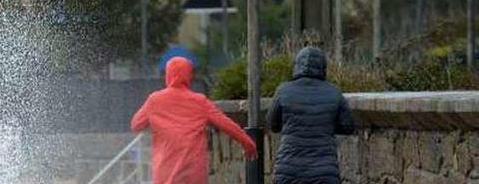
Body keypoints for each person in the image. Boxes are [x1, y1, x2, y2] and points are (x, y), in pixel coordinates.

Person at [131, 57, 257, 184]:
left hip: (165, 172)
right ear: (188, 75)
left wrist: (155, 122)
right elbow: (225, 123)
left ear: (168, 75)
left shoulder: (154, 100)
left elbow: (136, 124)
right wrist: (247, 143)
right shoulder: (200, 101)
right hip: (193, 174)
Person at [267, 46, 355, 184]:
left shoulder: (283, 90)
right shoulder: (334, 92)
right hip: (324, 170)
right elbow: (348, 126)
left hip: (289, 169)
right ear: (322, 67)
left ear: (296, 65)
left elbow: (272, 124)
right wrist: (326, 125)